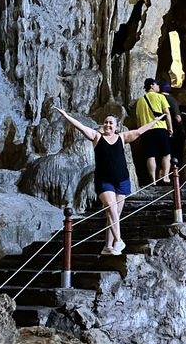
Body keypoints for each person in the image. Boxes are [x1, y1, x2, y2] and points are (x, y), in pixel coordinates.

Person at [55, 107, 164, 255]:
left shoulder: (121, 137)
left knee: (114, 215)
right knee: (111, 208)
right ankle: (119, 241)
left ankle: (107, 247)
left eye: (111, 123)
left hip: (122, 180)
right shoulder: (96, 137)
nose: (107, 125)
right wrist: (65, 115)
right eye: (105, 122)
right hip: (104, 180)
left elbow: (138, 131)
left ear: (116, 127)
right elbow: (80, 126)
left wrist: (155, 121)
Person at [135, 78, 173, 184]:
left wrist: (140, 132)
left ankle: (153, 180)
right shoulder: (161, 97)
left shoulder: (140, 101)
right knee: (166, 154)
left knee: (150, 155)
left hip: (146, 131)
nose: (158, 87)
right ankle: (165, 176)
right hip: (160, 128)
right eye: (157, 85)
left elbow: (138, 120)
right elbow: (167, 113)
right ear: (152, 86)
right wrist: (170, 128)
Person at [161, 82, 184, 162]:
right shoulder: (171, 99)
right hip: (172, 130)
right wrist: (182, 128)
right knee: (173, 152)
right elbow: (177, 117)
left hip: (160, 128)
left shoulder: (157, 98)